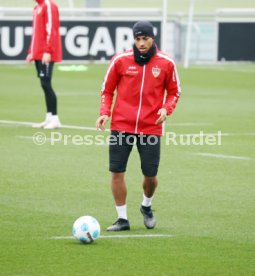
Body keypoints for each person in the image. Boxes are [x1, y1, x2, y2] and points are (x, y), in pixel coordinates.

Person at [96, 21, 181, 231]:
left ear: (153, 38)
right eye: (137, 39)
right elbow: (107, 90)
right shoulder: (120, 61)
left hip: (151, 127)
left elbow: (174, 91)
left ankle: (146, 205)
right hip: (121, 125)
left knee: (150, 176)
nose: (141, 43)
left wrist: (166, 109)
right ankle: (122, 219)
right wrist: (105, 112)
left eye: (145, 38)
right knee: (117, 172)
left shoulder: (167, 63)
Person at [26, 0, 62, 129]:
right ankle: (49, 118)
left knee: (46, 83)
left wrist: (48, 50)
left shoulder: (49, 5)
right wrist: (31, 51)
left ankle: (55, 119)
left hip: (45, 53)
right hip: (38, 52)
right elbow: (36, 31)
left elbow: (51, 28)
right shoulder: (37, 7)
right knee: (43, 84)